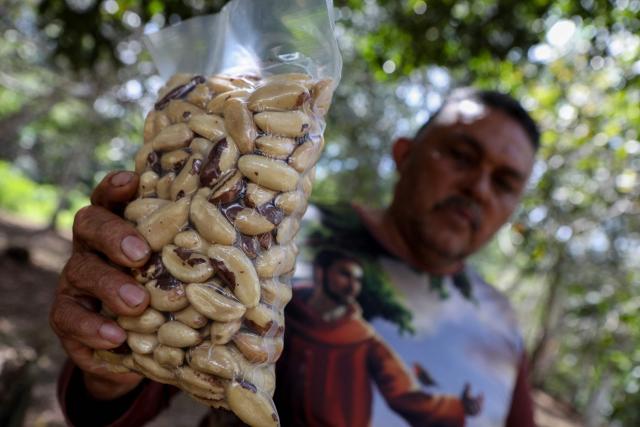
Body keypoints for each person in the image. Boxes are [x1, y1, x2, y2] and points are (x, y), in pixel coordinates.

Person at [50, 87, 538, 426]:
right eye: (460, 155)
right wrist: (110, 354)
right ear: (404, 153)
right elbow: (122, 394)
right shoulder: (276, 236)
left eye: (504, 182)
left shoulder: (502, 324)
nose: (477, 188)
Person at [274, 248, 483, 426]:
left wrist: (458, 407)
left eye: (357, 279)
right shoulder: (282, 307)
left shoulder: (364, 341)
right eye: (344, 274)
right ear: (320, 273)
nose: (352, 285)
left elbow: (403, 394)